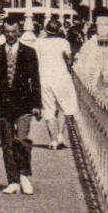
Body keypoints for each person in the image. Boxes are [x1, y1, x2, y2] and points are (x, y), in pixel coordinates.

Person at [0, 18, 43, 195]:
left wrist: (37, 104)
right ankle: (13, 180)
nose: (10, 35)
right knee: (7, 142)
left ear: (19, 32)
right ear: (3, 32)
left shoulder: (29, 52)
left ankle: (23, 174)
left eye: (13, 32)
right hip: (2, 103)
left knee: (21, 140)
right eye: (7, 32)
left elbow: (35, 79)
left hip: (24, 103)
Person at [34, 21, 77, 150]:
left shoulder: (38, 42)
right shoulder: (63, 42)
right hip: (61, 77)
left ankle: (52, 140)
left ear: (46, 31)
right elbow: (69, 60)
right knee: (64, 107)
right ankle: (60, 135)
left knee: (48, 109)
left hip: (44, 77)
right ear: (59, 31)